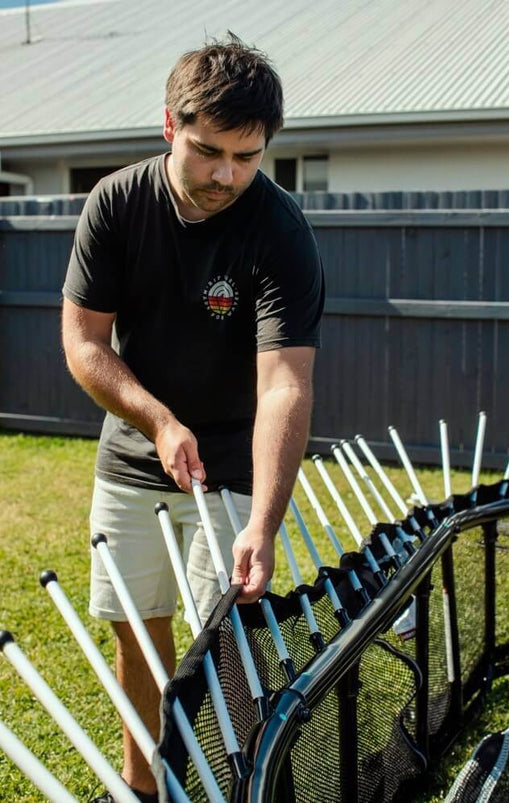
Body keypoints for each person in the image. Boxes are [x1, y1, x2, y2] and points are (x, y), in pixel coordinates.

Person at [62, 33, 324, 803]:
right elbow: (84, 343)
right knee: (139, 639)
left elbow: (283, 387)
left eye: (247, 158)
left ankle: (230, 792)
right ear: (168, 126)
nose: (226, 176)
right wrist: (158, 421)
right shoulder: (116, 202)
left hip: (235, 472)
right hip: (133, 460)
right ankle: (140, 790)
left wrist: (264, 522)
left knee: (228, 652)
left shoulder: (279, 228)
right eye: (210, 151)